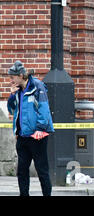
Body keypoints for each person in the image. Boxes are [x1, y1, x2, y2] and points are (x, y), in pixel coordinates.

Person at [6, 60, 54, 196]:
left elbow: (44, 110)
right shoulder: (18, 91)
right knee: (21, 171)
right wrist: (11, 95)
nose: (11, 80)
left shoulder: (37, 87)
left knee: (42, 170)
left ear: (21, 75)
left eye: (12, 77)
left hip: (37, 136)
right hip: (22, 137)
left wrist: (40, 128)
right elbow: (11, 110)